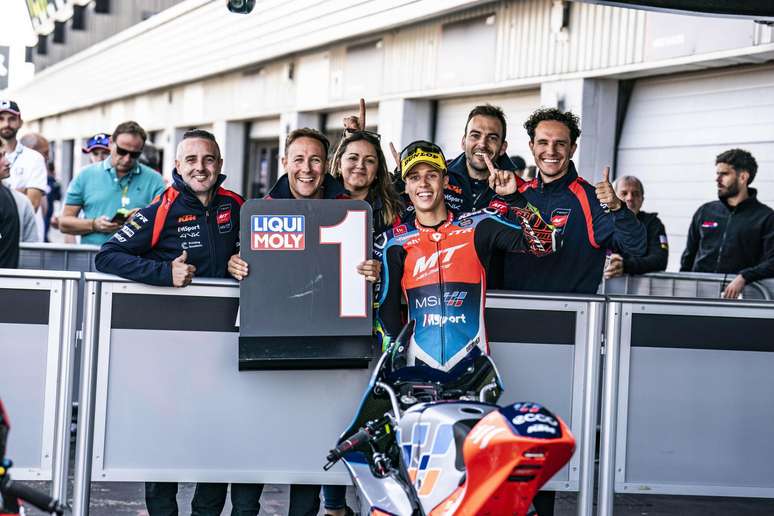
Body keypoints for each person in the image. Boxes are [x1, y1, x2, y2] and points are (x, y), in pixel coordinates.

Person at [95, 129, 263, 516]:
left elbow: (259, 252)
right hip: (170, 352)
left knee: (216, 437)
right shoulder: (160, 209)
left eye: (208, 159)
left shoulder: (238, 206)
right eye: (191, 160)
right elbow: (107, 255)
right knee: (165, 442)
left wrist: (239, 261)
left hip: (224, 349)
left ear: (220, 164)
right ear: (177, 165)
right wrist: (163, 273)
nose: (200, 167)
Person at [227, 128, 380, 516]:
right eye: (298, 159)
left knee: (310, 458)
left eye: (315, 160)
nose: (307, 169)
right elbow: (244, 262)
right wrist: (235, 262)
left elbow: (368, 267)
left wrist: (375, 270)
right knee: (256, 450)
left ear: (326, 165)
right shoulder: (261, 208)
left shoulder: (350, 209)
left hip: (326, 350)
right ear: (284, 163)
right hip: (267, 347)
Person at [375, 140, 556, 373]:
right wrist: (393, 363)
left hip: (473, 368)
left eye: (432, 175)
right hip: (417, 367)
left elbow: (545, 244)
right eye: (414, 177)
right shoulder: (394, 242)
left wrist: (514, 199)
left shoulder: (479, 225)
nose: (423, 184)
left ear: (445, 181)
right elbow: (387, 313)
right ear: (407, 186)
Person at [500, 107, 646, 295]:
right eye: (543, 142)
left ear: (572, 148)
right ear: (532, 146)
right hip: (512, 310)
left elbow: (636, 247)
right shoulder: (515, 196)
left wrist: (618, 208)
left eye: (560, 143)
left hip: (571, 312)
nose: (551, 151)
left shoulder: (592, 200)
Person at [680, 149, 774, 299]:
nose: (717, 179)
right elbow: (688, 257)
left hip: (739, 298)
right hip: (698, 296)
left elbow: (772, 261)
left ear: (743, 177)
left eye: (724, 174)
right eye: (717, 174)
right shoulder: (705, 211)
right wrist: (682, 288)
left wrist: (744, 277)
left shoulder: (766, 217)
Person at [59, 121, 166, 246]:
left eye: (134, 154)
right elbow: (64, 223)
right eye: (122, 151)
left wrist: (143, 219)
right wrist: (94, 224)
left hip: (136, 256)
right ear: (110, 143)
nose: (127, 159)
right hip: (94, 255)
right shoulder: (84, 175)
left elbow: (167, 225)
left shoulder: (155, 180)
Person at [330, 130, 404, 235]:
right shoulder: (320, 198)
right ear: (339, 164)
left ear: (377, 169)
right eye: (353, 158)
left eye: (369, 160)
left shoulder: (395, 206)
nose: (360, 165)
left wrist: (406, 175)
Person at [604, 175, 668, 278]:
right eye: (624, 193)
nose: (630, 198)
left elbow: (660, 260)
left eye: (635, 194)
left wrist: (626, 265)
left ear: (642, 199)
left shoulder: (653, 224)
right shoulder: (600, 222)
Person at [0, 150, 39, 245]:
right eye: (0, 157)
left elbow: (30, 247)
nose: (7, 162)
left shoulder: (20, 201)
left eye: (4, 155)